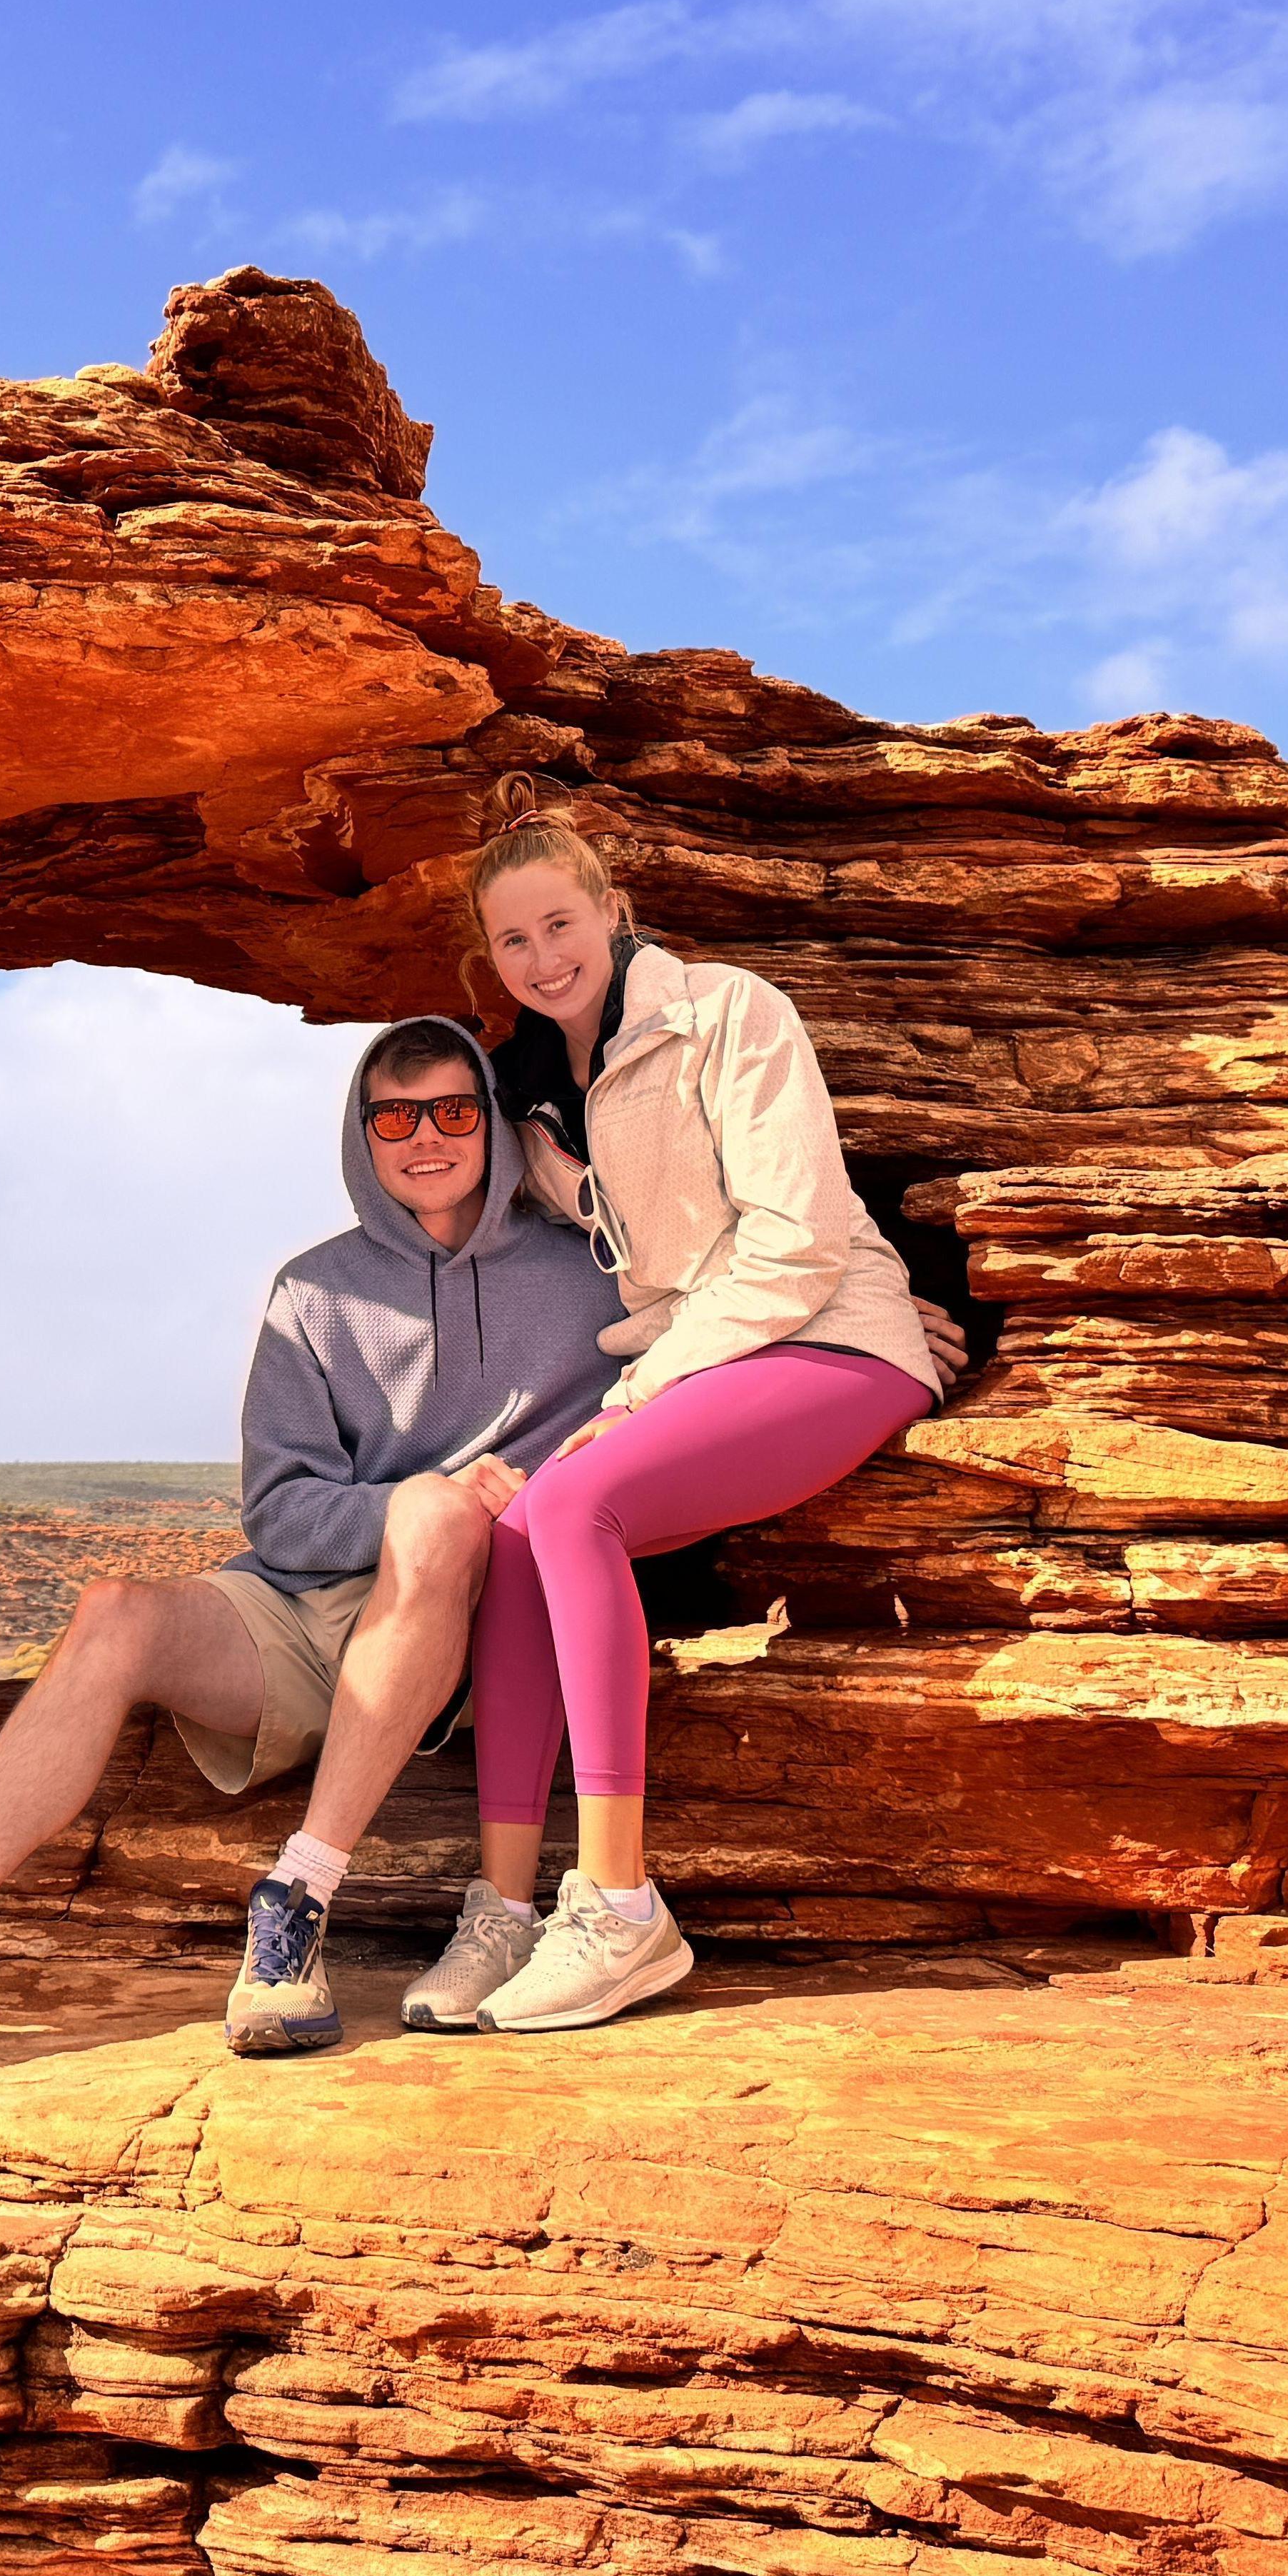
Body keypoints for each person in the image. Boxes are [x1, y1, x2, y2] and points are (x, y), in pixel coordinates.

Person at [0, 1011, 623, 2088]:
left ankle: (296, 1899)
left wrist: (882, 1307)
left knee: (439, 1519)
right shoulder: (316, 1289)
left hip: (477, 1618)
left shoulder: (590, 1276)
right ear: (362, 1135)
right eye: (392, 1116)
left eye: (451, 1110)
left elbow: (714, 1336)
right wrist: (409, 1498)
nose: (424, 1138)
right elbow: (280, 1512)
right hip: (316, 1611)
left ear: (489, 1121)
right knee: (116, 1608)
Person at [409, 771, 952, 2039]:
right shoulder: (530, 1089)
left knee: (580, 1495)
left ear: (612, 908)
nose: (543, 957)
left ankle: (616, 1904)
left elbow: (798, 1239)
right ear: (486, 960)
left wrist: (637, 1398)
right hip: (712, 1361)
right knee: (511, 1528)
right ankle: (501, 1910)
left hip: (832, 1341)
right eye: (512, 940)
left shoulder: (725, 1012)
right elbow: (492, 1229)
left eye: (560, 923)